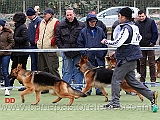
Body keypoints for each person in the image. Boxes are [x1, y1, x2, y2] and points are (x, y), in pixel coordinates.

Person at [101, 7, 158, 109]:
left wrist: (106, 41)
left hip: (126, 58)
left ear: (123, 17)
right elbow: (138, 38)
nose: (118, 18)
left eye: (119, 16)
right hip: (132, 57)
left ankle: (115, 103)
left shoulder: (126, 28)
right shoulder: (134, 26)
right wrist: (119, 51)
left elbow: (117, 42)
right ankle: (151, 94)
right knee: (132, 81)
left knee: (115, 79)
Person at [55, 7, 85, 91]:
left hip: (77, 52)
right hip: (66, 51)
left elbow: (83, 37)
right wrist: (62, 48)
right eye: (67, 15)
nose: (69, 16)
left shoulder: (81, 25)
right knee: (67, 71)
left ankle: (78, 87)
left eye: (70, 15)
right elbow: (57, 38)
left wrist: (81, 48)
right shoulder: (60, 25)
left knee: (78, 70)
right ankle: (65, 88)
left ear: (74, 15)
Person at [77, 13, 107, 95]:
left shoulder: (100, 30)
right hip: (89, 58)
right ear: (88, 21)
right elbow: (80, 43)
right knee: (89, 75)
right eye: (91, 21)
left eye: (94, 21)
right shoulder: (83, 31)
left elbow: (104, 42)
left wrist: (103, 53)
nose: (93, 23)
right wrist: (84, 54)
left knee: (100, 74)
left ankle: (100, 90)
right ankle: (88, 90)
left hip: (99, 56)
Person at [35, 8, 60, 94]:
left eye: (46, 13)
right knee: (42, 69)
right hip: (41, 49)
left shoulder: (56, 22)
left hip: (50, 49)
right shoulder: (41, 22)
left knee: (52, 68)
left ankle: (58, 87)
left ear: (50, 14)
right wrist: (37, 41)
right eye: (44, 14)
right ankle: (44, 87)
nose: (44, 15)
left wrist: (52, 43)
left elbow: (57, 34)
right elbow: (37, 33)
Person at [135, 10, 158, 86]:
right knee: (142, 63)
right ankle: (142, 80)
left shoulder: (151, 22)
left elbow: (155, 32)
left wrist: (152, 42)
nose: (141, 18)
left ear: (145, 15)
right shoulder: (137, 23)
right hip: (141, 46)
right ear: (138, 16)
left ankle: (153, 80)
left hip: (150, 45)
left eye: (142, 16)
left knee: (152, 63)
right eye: (140, 16)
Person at [10, 12, 30, 91]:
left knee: (22, 69)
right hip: (17, 51)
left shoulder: (23, 27)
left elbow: (25, 39)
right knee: (14, 67)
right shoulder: (18, 27)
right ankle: (10, 83)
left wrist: (14, 39)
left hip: (22, 52)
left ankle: (25, 84)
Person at [0, 19, 14, 95]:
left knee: (5, 71)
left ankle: (7, 88)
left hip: (5, 54)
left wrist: (6, 49)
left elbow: (12, 42)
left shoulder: (8, 33)